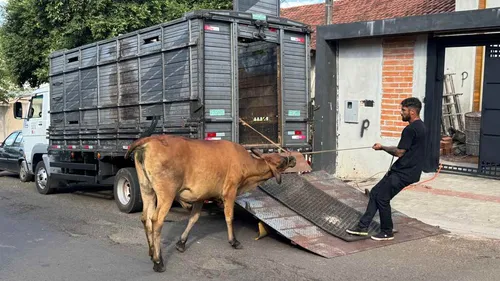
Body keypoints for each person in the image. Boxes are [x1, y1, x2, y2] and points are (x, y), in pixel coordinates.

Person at [346, 97, 427, 241]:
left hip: (404, 172)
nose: (401, 113)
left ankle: (386, 231)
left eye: (403, 110)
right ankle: (362, 226)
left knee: (382, 198)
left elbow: (399, 152)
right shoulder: (422, 126)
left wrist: (382, 147)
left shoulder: (410, 129)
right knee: (376, 193)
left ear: (412, 112)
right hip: (408, 171)